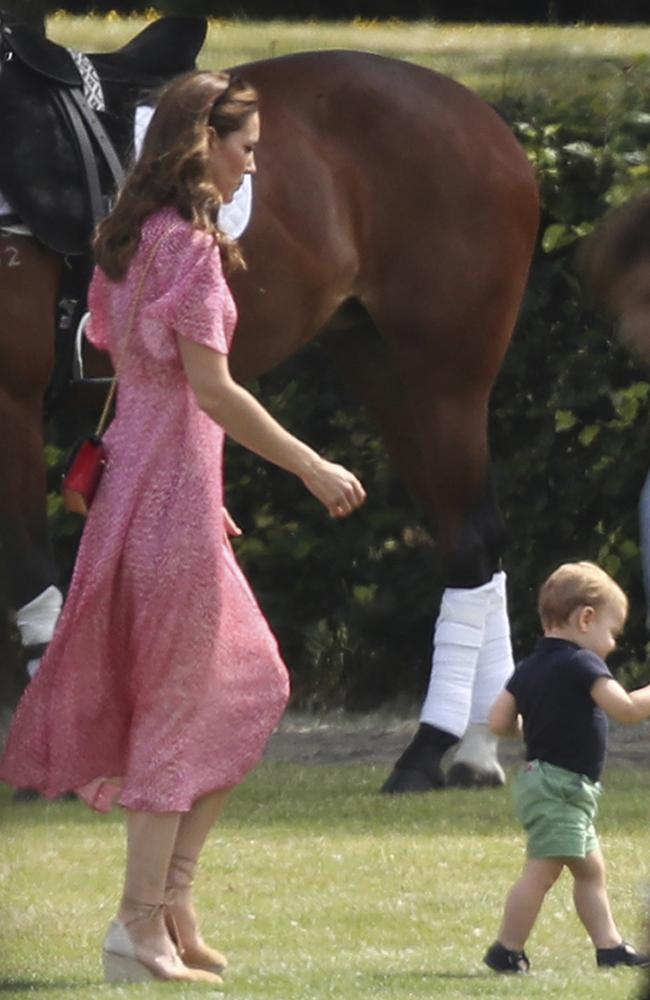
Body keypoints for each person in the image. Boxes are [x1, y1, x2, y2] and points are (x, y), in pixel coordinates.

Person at [0, 69, 366, 984]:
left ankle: (172, 901)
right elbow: (211, 387)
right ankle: (137, 922)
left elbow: (140, 374)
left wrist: (202, 481)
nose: (252, 166)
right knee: (181, 708)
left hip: (149, 494)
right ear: (202, 143)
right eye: (244, 147)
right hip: (161, 500)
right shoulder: (192, 248)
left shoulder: (128, 242)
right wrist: (312, 465)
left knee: (251, 686)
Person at [483, 561, 650, 974]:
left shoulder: (528, 668)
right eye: (612, 633)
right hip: (562, 787)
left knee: (591, 870)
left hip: (552, 785)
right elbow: (626, 710)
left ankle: (609, 947)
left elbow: (498, 722)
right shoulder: (582, 664)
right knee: (542, 873)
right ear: (585, 618)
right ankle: (506, 948)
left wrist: (537, 725)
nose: (611, 644)